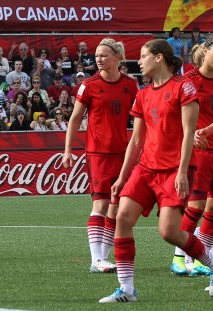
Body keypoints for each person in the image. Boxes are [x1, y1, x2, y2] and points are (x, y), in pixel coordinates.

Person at [98, 39, 208, 303]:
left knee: (169, 233)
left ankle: (210, 262)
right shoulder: (142, 94)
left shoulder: (184, 87)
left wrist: (182, 172)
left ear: (159, 58)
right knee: (122, 217)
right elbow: (136, 140)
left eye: (144, 56)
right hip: (146, 168)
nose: (139, 61)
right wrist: (123, 177)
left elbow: (188, 133)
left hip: (173, 170)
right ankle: (126, 290)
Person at [63, 38, 139, 275]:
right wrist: (67, 150)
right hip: (98, 153)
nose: (98, 59)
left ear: (117, 58)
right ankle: (96, 259)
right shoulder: (88, 85)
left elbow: (139, 118)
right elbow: (75, 119)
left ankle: (103, 258)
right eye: (97, 55)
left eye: (104, 55)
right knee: (101, 203)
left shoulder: (130, 84)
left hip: (122, 153)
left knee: (116, 207)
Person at [170, 41, 213, 277]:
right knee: (195, 207)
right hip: (201, 152)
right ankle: (179, 257)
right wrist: (192, 135)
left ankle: (200, 259)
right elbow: (175, 114)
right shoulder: (190, 80)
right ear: (206, 50)